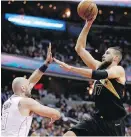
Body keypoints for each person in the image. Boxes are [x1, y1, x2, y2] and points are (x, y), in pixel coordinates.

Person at [54, 18, 127, 136]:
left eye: (107, 53)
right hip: (97, 120)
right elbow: (79, 49)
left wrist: (71, 68)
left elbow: (99, 74)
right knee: (69, 135)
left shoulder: (118, 70)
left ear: (116, 58)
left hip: (114, 123)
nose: (104, 54)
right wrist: (88, 24)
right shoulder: (100, 66)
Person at [1, 43, 61, 137]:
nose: (31, 85)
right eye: (28, 84)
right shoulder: (25, 102)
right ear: (23, 88)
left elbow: (33, 79)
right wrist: (56, 115)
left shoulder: (9, 101)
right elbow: (55, 113)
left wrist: (46, 64)